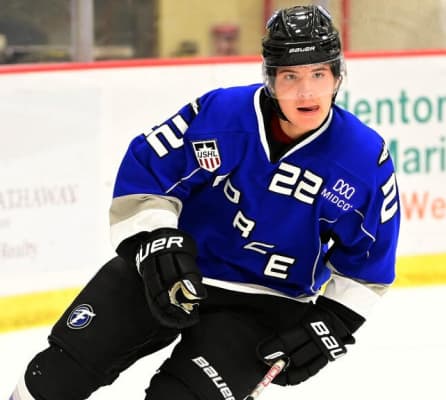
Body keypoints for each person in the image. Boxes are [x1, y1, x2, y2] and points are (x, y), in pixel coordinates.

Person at [10, 5, 400, 400]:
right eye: (290, 76)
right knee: (53, 378)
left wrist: (333, 321)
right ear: (270, 79)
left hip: (264, 303)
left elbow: (368, 263)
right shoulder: (221, 115)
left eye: (319, 74)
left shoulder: (364, 160)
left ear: (337, 75)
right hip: (170, 273)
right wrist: (155, 242)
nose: (307, 92)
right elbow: (149, 175)